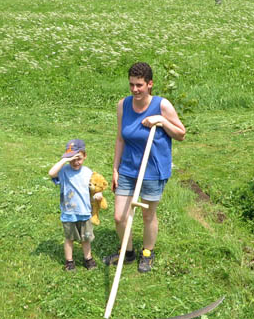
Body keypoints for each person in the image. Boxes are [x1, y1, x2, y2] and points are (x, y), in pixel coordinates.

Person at [104, 62, 186, 273]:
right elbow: (120, 139)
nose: (135, 90)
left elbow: (181, 134)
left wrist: (161, 120)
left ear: (150, 84)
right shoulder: (123, 105)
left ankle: (147, 253)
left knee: (148, 215)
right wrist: (115, 168)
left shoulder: (162, 105)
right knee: (119, 217)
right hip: (128, 168)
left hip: (153, 169)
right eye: (131, 85)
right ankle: (128, 253)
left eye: (139, 85)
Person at [48, 139, 102, 271]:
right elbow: (51, 173)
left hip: (84, 212)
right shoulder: (64, 170)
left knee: (86, 238)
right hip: (69, 212)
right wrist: (64, 160)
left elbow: (93, 188)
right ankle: (69, 261)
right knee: (69, 238)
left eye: (79, 158)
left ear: (85, 156)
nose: (76, 162)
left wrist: (97, 195)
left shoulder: (88, 172)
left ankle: (88, 259)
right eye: (72, 159)